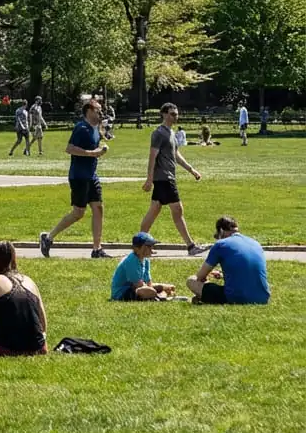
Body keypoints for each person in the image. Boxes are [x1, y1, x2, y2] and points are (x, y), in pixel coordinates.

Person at [40, 99, 110, 258]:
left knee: (98, 208)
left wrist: (102, 147)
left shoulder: (95, 128)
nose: (100, 112)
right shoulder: (81, 128)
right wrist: (93, 153)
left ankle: (97, 249)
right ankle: (48, 237)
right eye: (98, 109)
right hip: (79, 176)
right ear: (89, 111)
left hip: (92, 175)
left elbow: (97, 144)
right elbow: (69, 149)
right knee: (79, 213)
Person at [140, 103, 210, 256]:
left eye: (176, 114)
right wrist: (149, 179)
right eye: (172, 114)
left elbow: (176, 155)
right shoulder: (158, 133)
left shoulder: (171, 133)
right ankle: (191, 246)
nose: (175, 117)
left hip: (167, 177)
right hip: (164, 178)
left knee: (154, 210)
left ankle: (140, 244)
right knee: (177, 210)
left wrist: (191, 170)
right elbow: (152, 156)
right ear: (164, 114)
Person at [187, 216, 270, 305]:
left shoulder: (221, 244)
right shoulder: (255, 243)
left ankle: (203, 297)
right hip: (263, 297)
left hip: (236, 297)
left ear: (221, 231)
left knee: (191, 281)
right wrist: (223, 275)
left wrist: (205, 279)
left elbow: (200, 277)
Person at [111, 232, 177, 301]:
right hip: (122, 293)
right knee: (149, 292)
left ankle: (160, 296)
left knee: (167, 288)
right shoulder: (131, 261)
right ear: (136, 248)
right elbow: (139, 286)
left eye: (152, 246)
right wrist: (157, 291)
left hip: (138, 287)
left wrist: (163, 287)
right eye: (148, 246)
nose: (151, 249)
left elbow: (149, 284)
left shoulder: (146, 260)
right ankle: (159, 297)